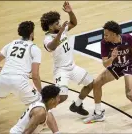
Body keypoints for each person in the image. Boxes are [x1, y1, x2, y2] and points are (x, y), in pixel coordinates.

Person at [83, 21, 132, 134]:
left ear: (114, 34)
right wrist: (112, 58)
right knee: (96, 83)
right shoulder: (104, 43)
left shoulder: (128, 38)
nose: (104, 37)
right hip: (116, 66)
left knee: (130, 94)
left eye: (106, 34)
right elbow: (105, 64)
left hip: (129, 65)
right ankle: (98, 114)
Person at [40, 1, 94, 130]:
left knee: (91, 83)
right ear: (50, 26)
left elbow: (74, 23)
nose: (59, 24)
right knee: (62, 97)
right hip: (61, 70)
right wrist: (60, 32)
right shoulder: (47, 39)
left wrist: (70, 12)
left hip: (72, 67)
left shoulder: (61, 29)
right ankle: (40, 114)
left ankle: (77, 105)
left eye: (59, 22)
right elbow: (52, 46)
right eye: (56, 23)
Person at [0, 21, 42, 120]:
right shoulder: (35, 49)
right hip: (20, 81)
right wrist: (41, 92)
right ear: (32, 33)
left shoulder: (11, 44)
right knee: (39, 102)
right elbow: (35, 76)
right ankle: (38, 125)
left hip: (3, 78)